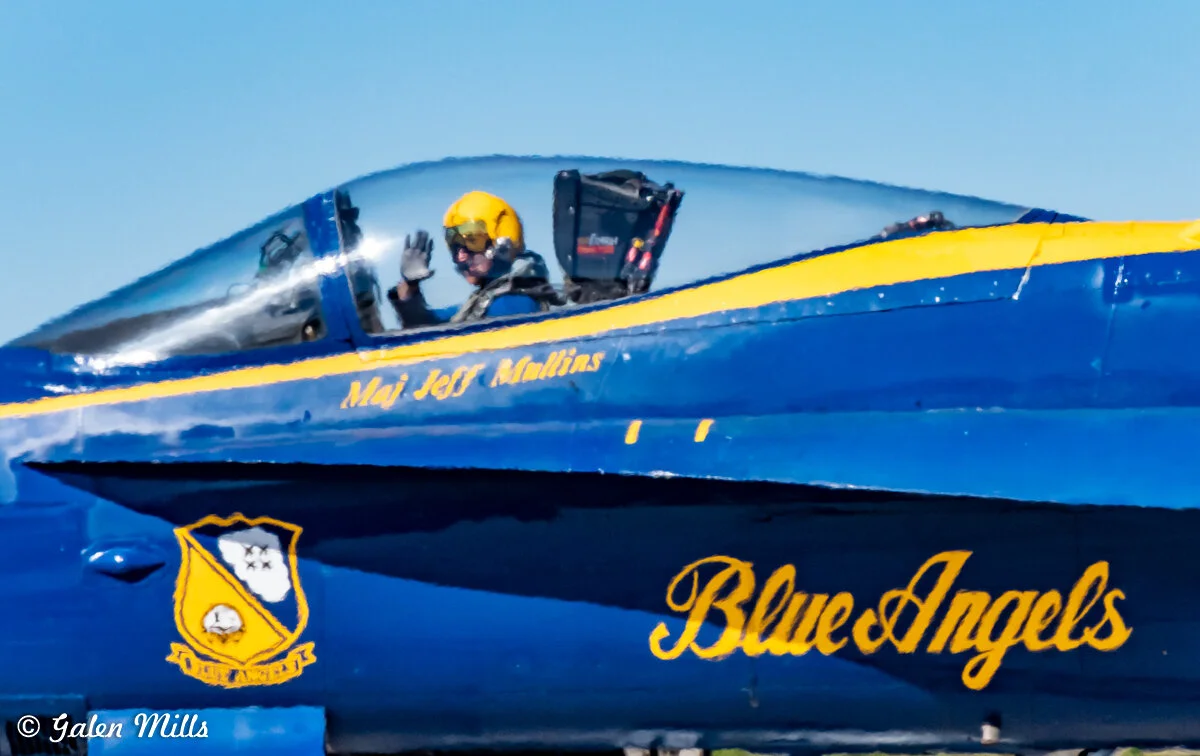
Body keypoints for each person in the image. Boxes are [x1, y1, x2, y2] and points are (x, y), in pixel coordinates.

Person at [386, 191, 562, 329]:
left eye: (472, 242)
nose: (460, 256)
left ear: (502, 243)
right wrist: (410, 286)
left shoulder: (513, 305)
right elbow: (425, 326)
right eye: (455, 246)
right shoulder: (485, 302)